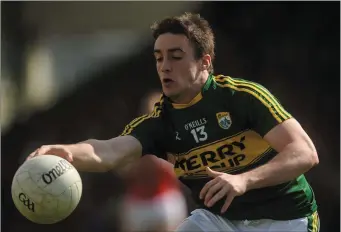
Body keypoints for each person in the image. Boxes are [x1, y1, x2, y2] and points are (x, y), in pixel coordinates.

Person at [28, 12, 320, 232]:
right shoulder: (160, 122)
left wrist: (244, 180)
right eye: (159, 58)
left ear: (205, 62)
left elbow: (304, 153)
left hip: (287, 217)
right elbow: (108, 151)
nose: (165, 66)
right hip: (220, 221)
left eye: (176, 56)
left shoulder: (242, 97)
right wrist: (68, 152)